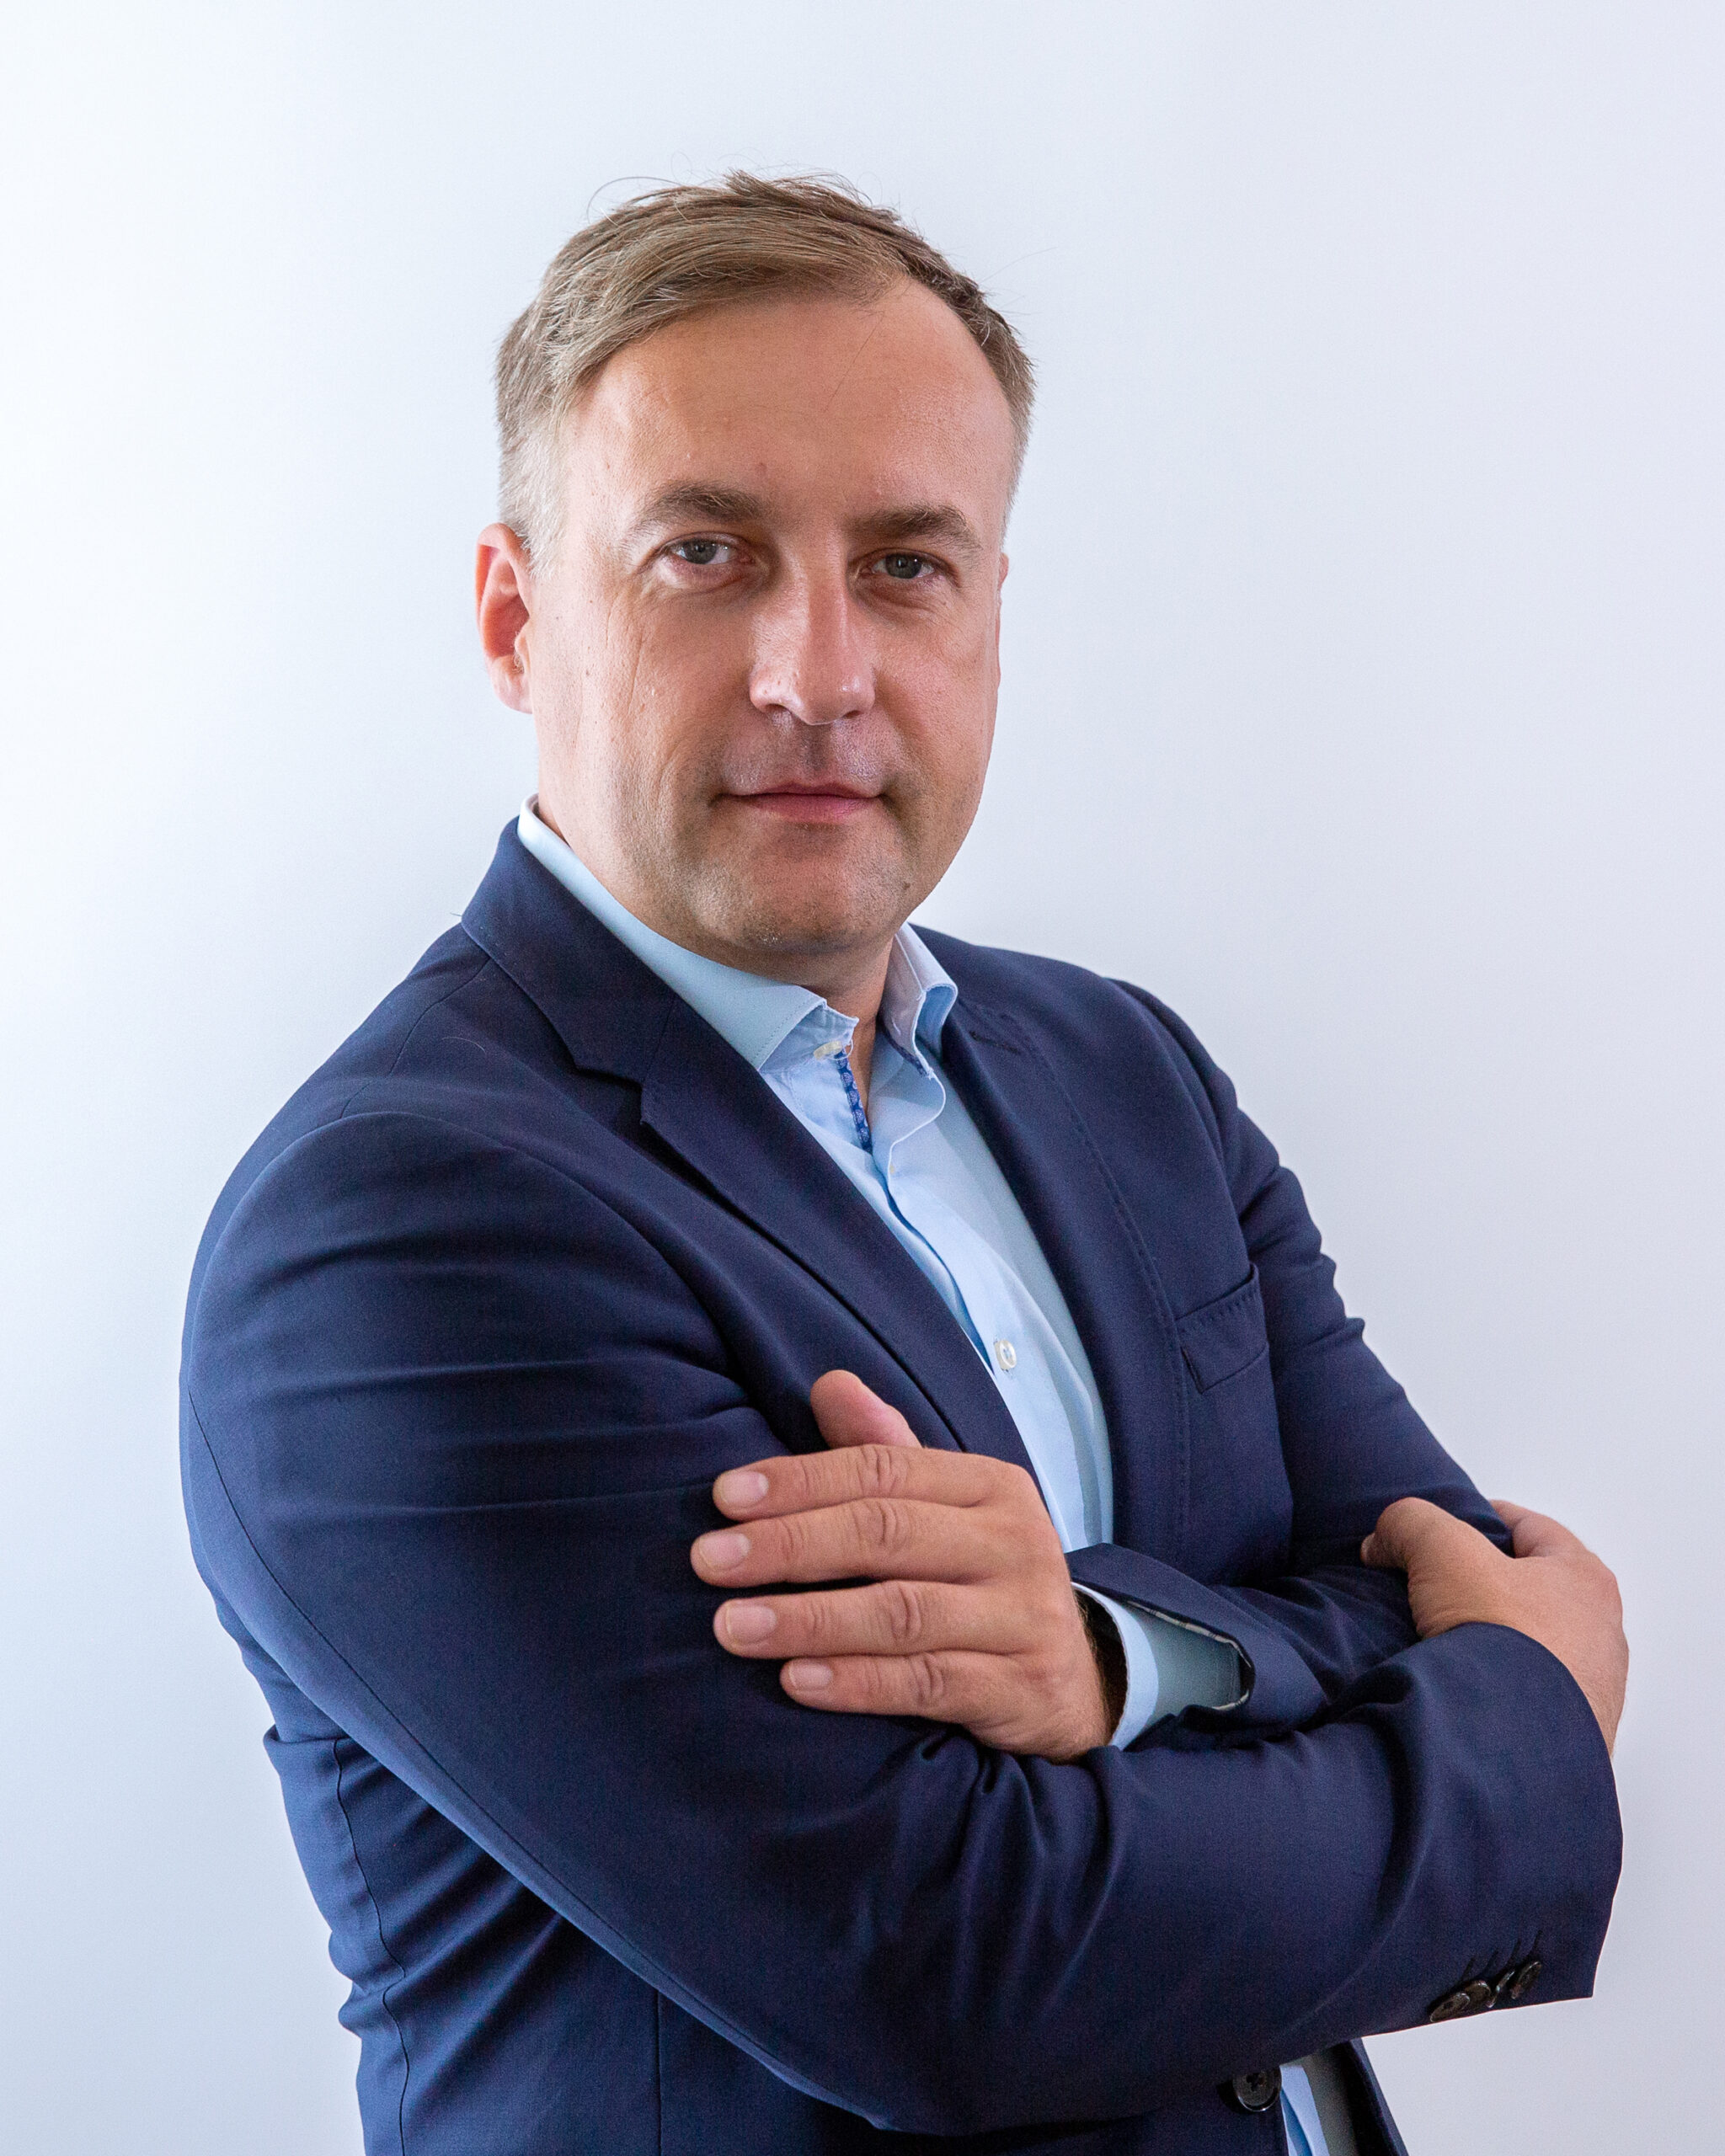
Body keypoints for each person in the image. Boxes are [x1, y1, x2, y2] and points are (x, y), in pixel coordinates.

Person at [179, 174, 1626, 2156]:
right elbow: (962, 1967)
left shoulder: (1124, 1074)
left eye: (905, 563)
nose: (819, 670)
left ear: (992, 615)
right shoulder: (394, 1234)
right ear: (517, 618)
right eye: (706, 554)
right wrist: (1518, 1732)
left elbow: (1429, 1569)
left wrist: (1111, 1653)